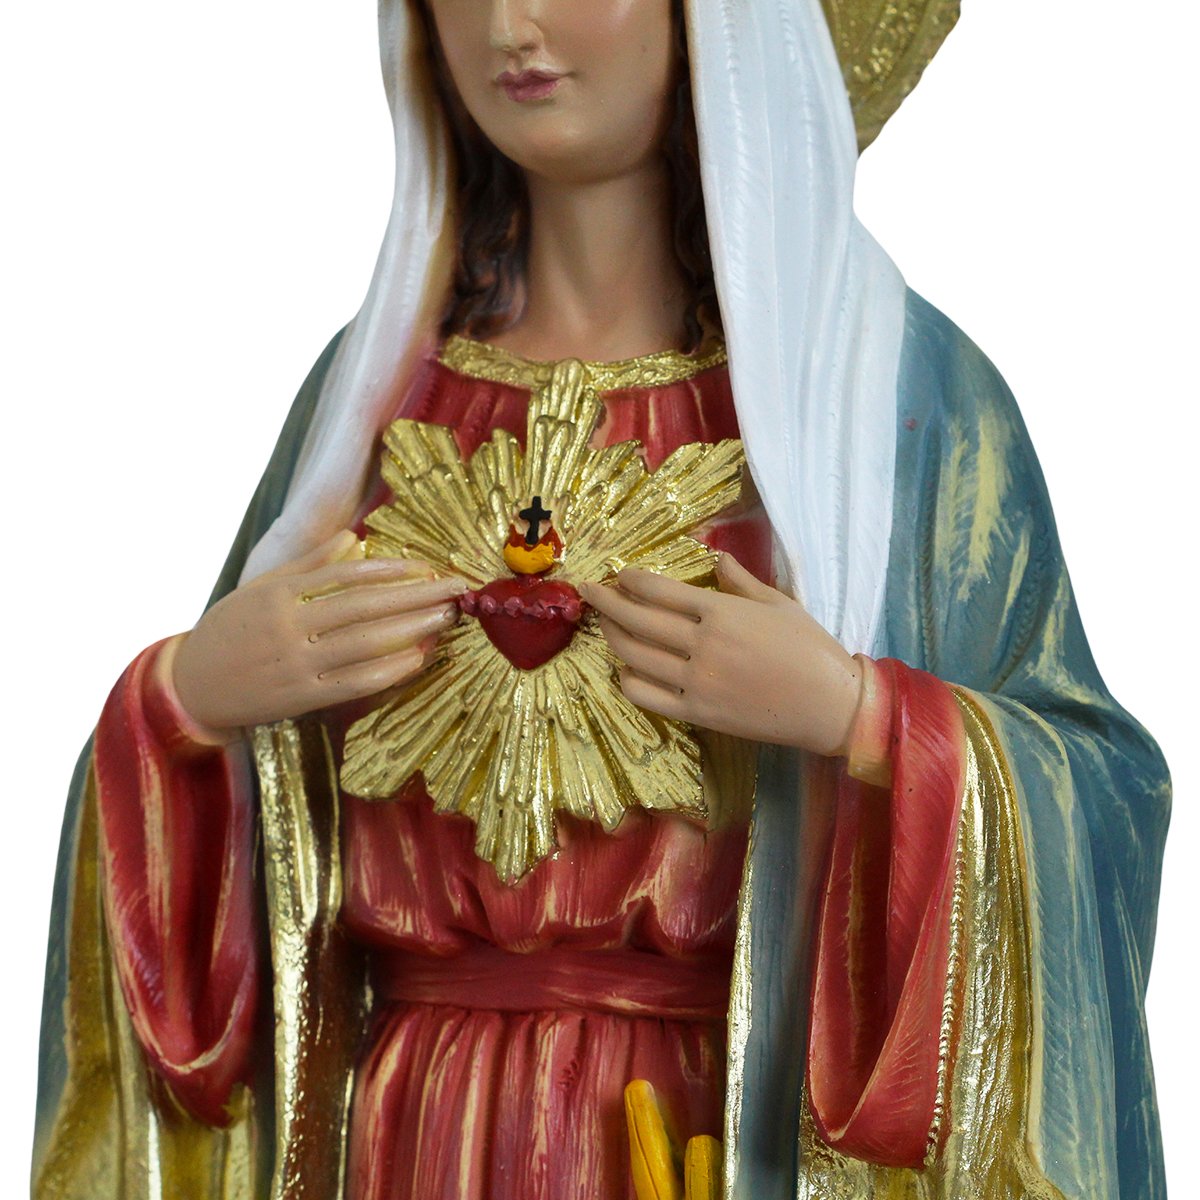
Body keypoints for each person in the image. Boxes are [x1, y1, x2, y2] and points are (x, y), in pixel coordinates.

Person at [33, 0, 1170, 1198]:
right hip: (403, 1131)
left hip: (717, 1137)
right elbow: (241, 869)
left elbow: (1097, 790)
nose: (508, 26)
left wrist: (862, 716)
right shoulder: (370, 395)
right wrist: (185, 703)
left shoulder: (878, 397)